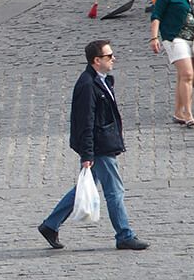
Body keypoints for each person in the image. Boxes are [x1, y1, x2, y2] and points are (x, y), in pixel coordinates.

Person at [38, 40, 149, 251]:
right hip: (99, 146)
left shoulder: (101, 80)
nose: (113, 58)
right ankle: (124, 235)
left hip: (102, 142)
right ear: (96, 60)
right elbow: (85, 122)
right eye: (109, 56)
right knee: (115, 191)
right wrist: (87, 154)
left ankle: (50, 224)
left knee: (84, 187)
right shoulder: (88, 85)